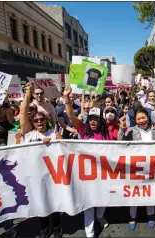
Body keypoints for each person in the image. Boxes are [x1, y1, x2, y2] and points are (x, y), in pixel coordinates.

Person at [63, 86, 111, 238]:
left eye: (95, 119)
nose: (92, 121)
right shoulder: (83, 130)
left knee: (103, 199)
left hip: (103, 173)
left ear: (100, 121)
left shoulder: (106, 133)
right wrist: (67, 99)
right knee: (89, 203)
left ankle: (100, 216)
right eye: (90, 119)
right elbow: (70, 116)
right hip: (86, 174)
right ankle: (90, 232)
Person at [20, 82, 63, 238]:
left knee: (54, 202)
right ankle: (44, 228)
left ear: (46, 121)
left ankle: (57, 227)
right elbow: (23, 111)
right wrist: (27, 93)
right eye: (36, 120)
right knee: (40, 202)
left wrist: (52, 144)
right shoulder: (29, 134)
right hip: (35, 175)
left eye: (42, 119)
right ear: (33, 122)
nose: (39, 122)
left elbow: (65, 150)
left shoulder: (54, 134)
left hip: (53, 175)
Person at [118, 108, 155, 230]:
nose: (142, 120)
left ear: (148, 117)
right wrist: (122, 128)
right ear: (135, 120)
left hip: (152, 166)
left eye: (143, 117)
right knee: (135, 192)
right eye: (139, 118)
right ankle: (133, 216)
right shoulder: (131, 131)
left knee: (150, 191)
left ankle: (150, 214)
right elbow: (120, 143)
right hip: (136, 168)